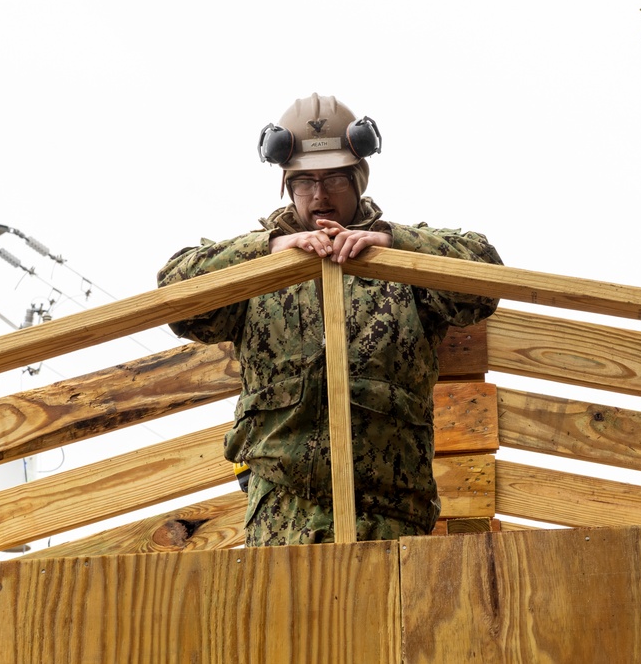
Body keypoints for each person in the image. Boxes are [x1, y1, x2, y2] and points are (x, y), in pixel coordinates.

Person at [158, 93, 503, 546]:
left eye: (335, 181)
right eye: (305, 182)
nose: (320, 197)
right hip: (281, 520)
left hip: (392, 517)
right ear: (287, 185)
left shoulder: (400, 259)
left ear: (358, 181)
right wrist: (267, 251)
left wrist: (390, 245)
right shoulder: (254, 267)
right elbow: (175, 294)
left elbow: (484, 278)